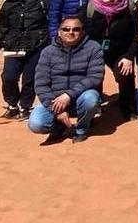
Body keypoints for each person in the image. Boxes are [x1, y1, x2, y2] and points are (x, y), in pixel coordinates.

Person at [28, 14, 104, 144]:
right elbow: (41, 84)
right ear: (59, 32)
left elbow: (95, 77)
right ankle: (60, 125)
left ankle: (81, 129)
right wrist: (57, 110)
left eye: (76, 29)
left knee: (91, 99)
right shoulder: (48, 52)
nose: (71, 32)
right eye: (66, 29)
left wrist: (68, 95)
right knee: (36, 124)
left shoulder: (93, 48)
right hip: (56, 100)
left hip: (80, 97)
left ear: (82, 32)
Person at [0, 0, 50, 120]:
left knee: (30, 79)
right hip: (13, 45)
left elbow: (53, 19)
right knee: (8, 77)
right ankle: (12, 105)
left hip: (37, 45)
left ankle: (25, 107)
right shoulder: (8, 4)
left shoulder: (42, 0)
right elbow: (1, 26)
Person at [81, 0, 138, 121]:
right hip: (93, 51)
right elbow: (80, 31)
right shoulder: (89, 7)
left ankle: (127, 108)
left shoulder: (129, 7)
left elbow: (136, 34)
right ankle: (94, 108)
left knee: (125, 75)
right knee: (94, 78)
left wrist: (129, 56)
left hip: (120, 51)